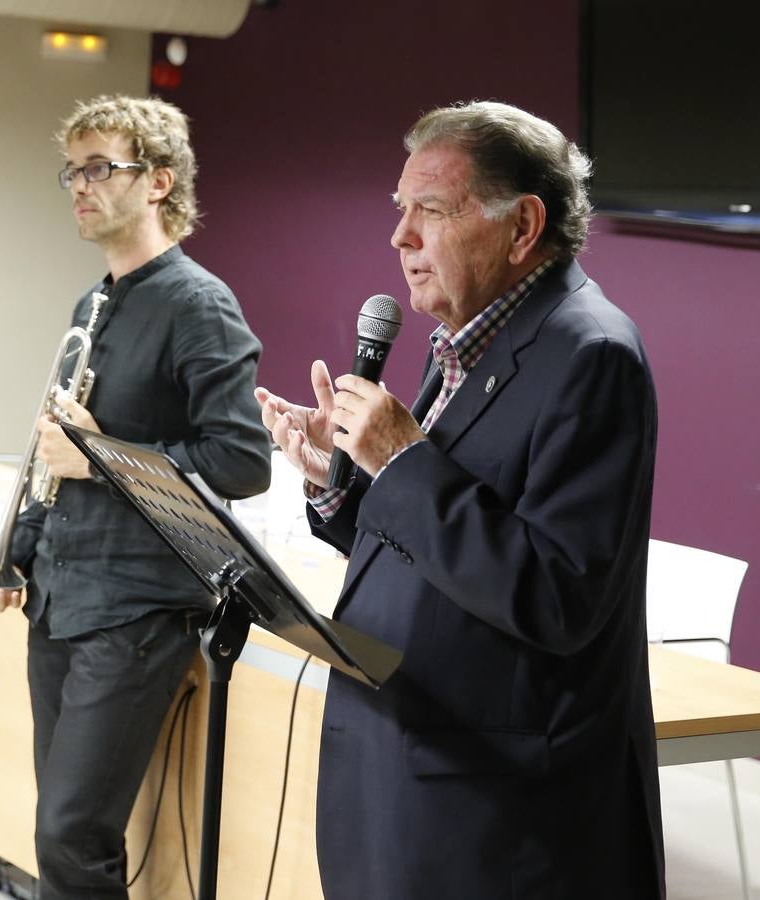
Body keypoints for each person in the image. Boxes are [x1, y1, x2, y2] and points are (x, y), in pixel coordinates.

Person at [255, 101, 665, 898]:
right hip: (404, 753)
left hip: (496, 801)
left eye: (430, 211)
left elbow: (555, 596)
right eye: (399, 210)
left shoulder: (593, 355)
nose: (400, 237)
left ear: (522, 228)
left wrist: (400, 460)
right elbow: (440, 550)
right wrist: (335, 483)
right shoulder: (466, 336)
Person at [0, 95, 271, 899]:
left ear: (160, 181)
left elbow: (240, 461)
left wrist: (101, 457)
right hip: (62, 596)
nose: (79, 185)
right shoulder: (92, 302)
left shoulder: (199, 304)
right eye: (72, 170)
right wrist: (15, 550)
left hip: (135, 610)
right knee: (58, 829)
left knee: (73, 832)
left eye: (101, 168)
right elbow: (52, 452)